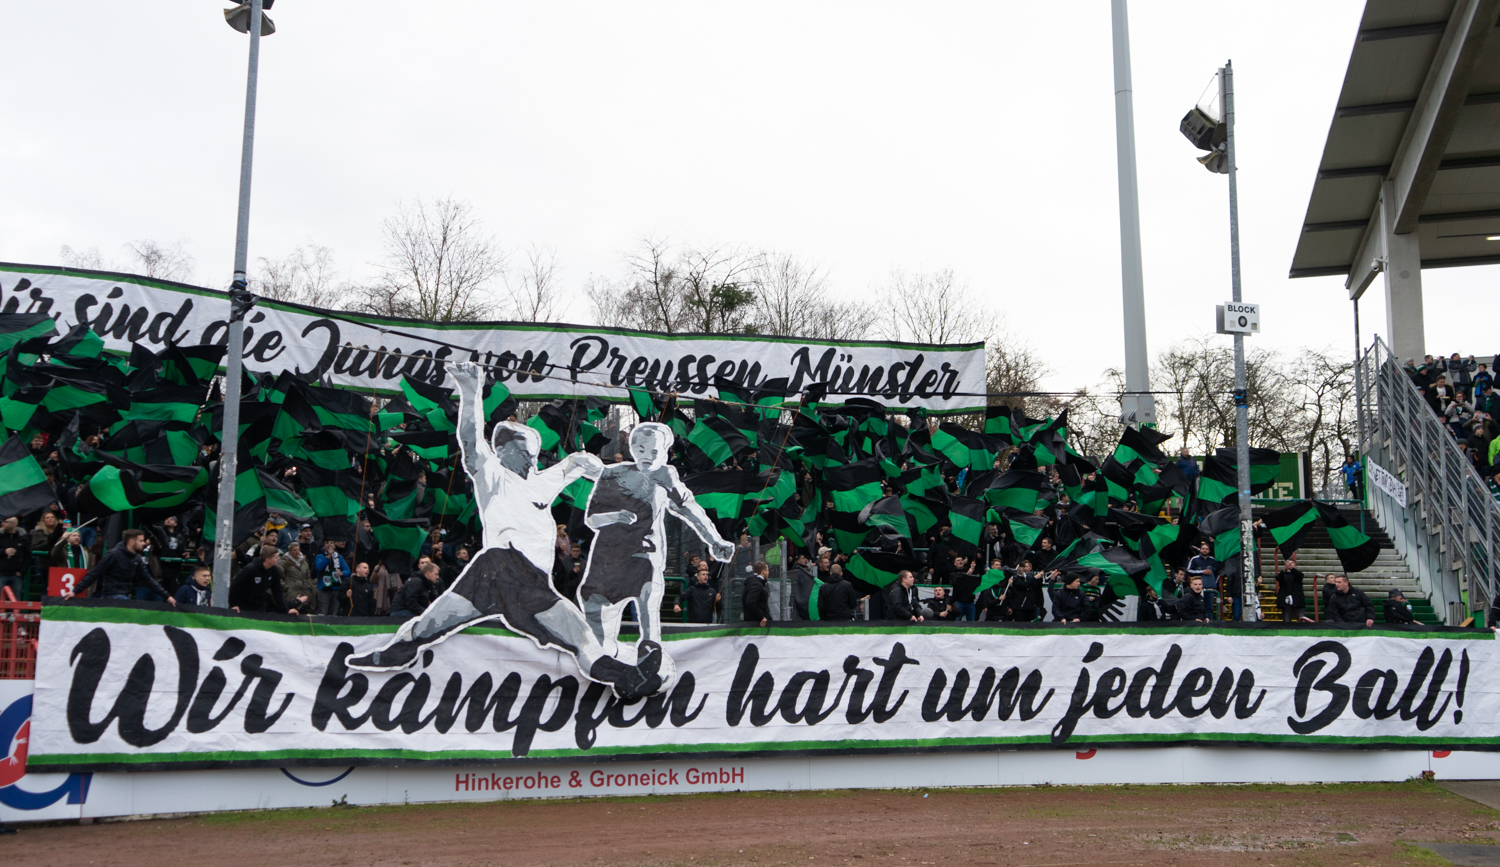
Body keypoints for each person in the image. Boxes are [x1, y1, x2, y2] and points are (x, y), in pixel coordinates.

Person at [351, 361, 665, 701]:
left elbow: (572, 465)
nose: (527, 459)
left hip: (533, 585)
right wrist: (470, 390)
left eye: (529, 452)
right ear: (501, 452)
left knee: (580, 639)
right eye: (517, 451)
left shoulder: (541, 483)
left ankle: (627, 679)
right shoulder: (492, 477)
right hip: (499, 568)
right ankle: (394, 652)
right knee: (431, 626)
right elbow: (471, 440)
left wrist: (596, 468)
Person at [576, 421, 734, 674]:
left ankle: (650, 647)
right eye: (640, 450)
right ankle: (600, 660)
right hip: (609, 556)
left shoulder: (665, 475)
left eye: (653, 451)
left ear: (666, 451)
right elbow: (592, 519)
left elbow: (689, 509)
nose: (646, 457)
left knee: (648, 593)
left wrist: (714, 540)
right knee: (596, 607)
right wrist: (615, 516)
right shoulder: (612, 474)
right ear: (631, 448)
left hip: (645, 553)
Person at [66, 529, 175, 604]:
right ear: (132, 542)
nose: (144, 543)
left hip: (124, 595)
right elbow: (94, 573)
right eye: (141, 541)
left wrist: (167, 596)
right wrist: (75, 591)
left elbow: (148, 580)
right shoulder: (113, 554)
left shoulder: (136, 558)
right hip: (112, 596)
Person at [229, 545, 296, 614]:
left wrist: (286, 610)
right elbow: (235, 584)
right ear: (267, 560)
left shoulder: (274, 570)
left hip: (259, 604)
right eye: (276, 557)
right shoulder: (250, 569)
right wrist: (233, 604)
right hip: (243, 603)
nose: (278, 559)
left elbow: (277, 591)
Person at [313, 539, 350, 616]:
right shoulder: (319, 556)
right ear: (323, 546)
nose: (329, 545)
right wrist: (328, 557)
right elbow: (319, 567)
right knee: (323, 612)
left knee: (334, 613)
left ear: (334, 545)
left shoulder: (339, 557)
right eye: (327, 543)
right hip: (324, 588)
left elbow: (347, 571)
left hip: (336, 588)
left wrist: (342, 573)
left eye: (331, 543)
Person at [1185, 542, 1220, 620]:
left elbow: (1217, 573)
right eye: (1203, 549)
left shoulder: (1213, 560)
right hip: (1199, 589)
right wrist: (1202, 572)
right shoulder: (1194, 559)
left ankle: (1210, 625)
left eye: (1206, 549)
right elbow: (1189, 571)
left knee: (1209, 608)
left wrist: (1215, 584)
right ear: (1200, 550)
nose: (1204, 550)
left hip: (1211, 589)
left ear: (1209, 551)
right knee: (1200, 608)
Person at [280, 542, 313, 612]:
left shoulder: (304, 563)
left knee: (304, 609)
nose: (297, 551)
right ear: (289, 551)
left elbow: (308, 577)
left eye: (298, 549)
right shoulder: (284, 562)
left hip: (304, 590)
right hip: (291, 591)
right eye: (294, 550)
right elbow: (278, 577)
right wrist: (285, 586)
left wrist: (309, 586)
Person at [1274, 554, 1306, 623]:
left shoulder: (1298, 574)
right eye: (1289, 564)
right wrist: (1284, 570)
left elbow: (1300, 575)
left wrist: (1292, 569)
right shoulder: (1283, 575)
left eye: (1292, 563)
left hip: (1297, 599)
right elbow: (1278, 578)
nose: (1290, 565)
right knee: (1287, 619)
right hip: (1286, 600)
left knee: (1301, 619)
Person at [0, 516, 26, 596]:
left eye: (6, 522)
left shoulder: (21, 538)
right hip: (1, 573)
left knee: (16, 600)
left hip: (16, 574)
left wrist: (22, 571)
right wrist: (4, 551)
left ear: (14, 524)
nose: (3, 523)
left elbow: (27, 555)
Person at [741, 560, 772, 626]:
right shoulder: (756, 585)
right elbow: (750, 602)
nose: (768, 572)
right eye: (767, 570)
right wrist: (761, 617)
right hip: (757, 622)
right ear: (764, 572)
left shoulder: (754, 583)